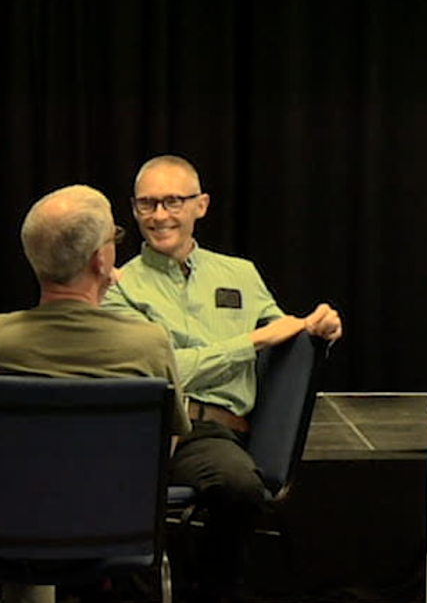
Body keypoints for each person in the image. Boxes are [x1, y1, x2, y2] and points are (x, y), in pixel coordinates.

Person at [103, 155, 343, 603]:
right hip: (148, 428)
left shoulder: (239, 274)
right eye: (146, 204)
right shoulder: (118, 286)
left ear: (201, 205)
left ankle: (212, 589)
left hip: (210, 432)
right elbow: (164, 367)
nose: (159, 216)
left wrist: (319, 329)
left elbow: (284, 335)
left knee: (241, 487)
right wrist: (249, 341)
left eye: (173, 201)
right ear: (133, 210)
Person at [0, 184, 189, 603]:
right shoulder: (148, 343)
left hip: (10, 534)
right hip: (116, 535)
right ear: (101, 260)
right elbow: (166, 447)